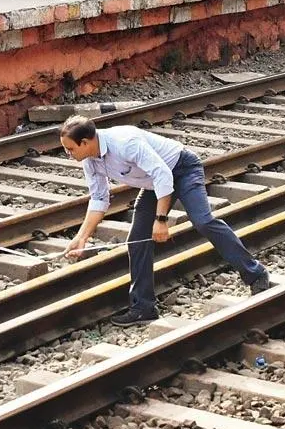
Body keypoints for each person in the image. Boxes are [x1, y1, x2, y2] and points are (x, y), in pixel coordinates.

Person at [59, 116, 271, 326]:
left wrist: (161, 220)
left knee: (203, 221)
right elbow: (99, 199)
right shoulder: (90, 161)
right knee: (137, 240)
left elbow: (164, 175)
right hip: (155, 183)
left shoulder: (125, 143)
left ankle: (256, 273)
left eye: (70, 149)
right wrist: (82, 237)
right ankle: (144, 308)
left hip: (182, 169)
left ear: (85, 142)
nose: (68, 154)